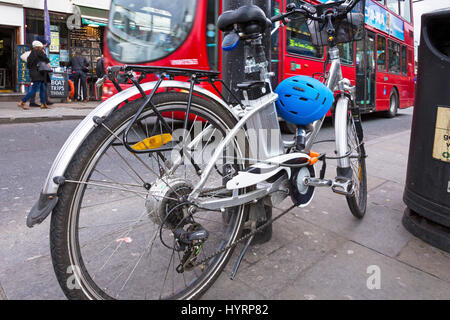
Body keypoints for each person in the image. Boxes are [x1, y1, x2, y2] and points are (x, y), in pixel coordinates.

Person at [18, 41, 51, 110]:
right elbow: (46, 60)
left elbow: (28, 64)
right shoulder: (40, 52)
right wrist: (44, 54)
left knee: (43, 88)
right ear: (39, 47)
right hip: (39, 73)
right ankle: (22, 102)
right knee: (34, 89)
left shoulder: (31, 54)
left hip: (34, 73)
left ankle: (43, 103)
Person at [29, 36, 53, 107]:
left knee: (41, 86)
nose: (45, 45)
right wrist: (49, 67)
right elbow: (45, 60)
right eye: (44, 44)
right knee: (39, 86)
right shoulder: (40, 50)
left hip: (38, 70)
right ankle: (33, 101)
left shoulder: (35, 50)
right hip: (40, 71)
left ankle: (43, 101)